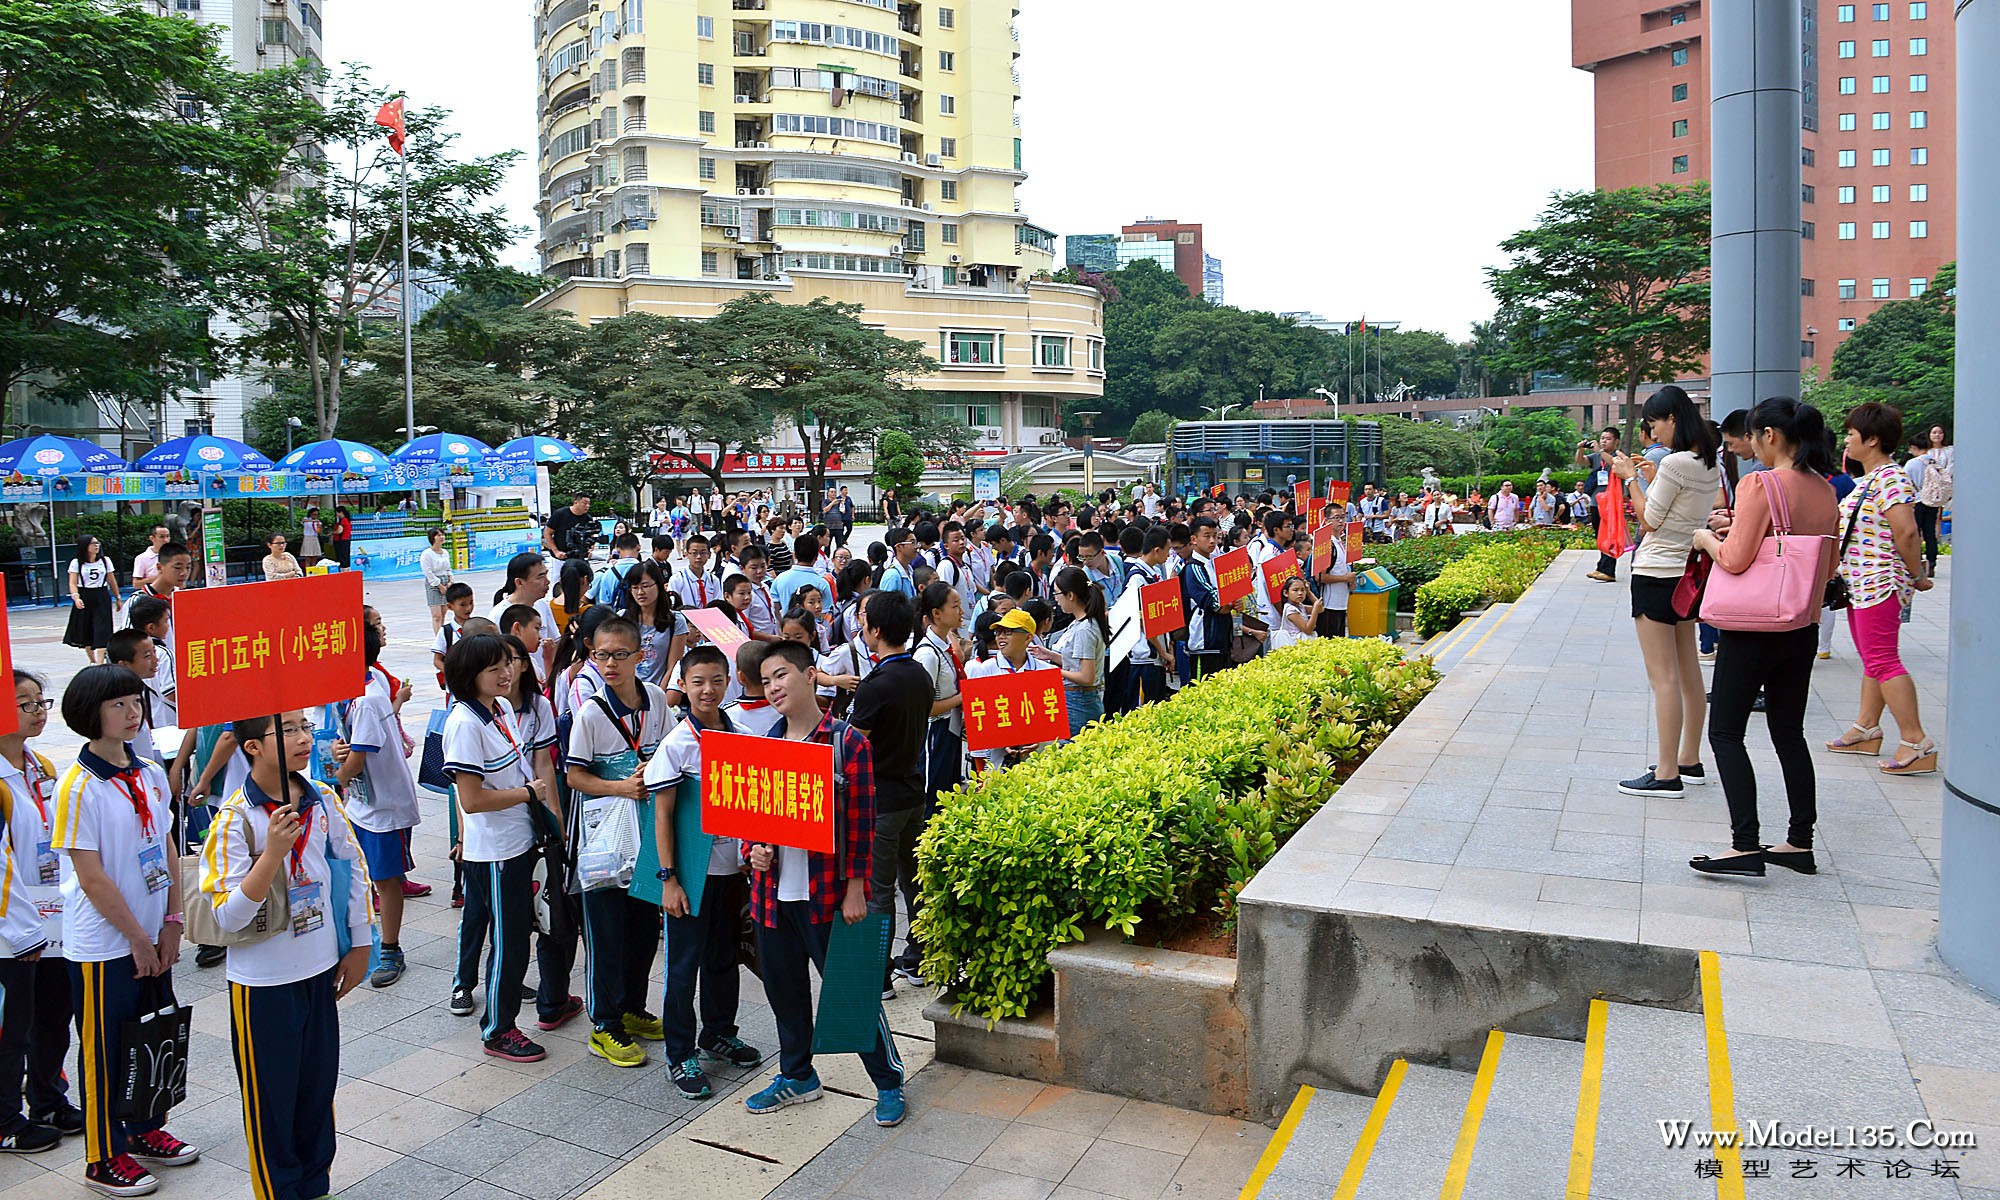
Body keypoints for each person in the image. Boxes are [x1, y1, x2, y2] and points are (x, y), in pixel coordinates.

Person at [198, 711, 372, 1200]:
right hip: (263, 984)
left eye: (303, 727)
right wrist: (273, 853)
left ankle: (315, 1186)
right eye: (287, 730)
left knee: (317, 1092)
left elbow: (352, 868)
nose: (302, 738)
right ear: (252, 747)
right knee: (271, 1103)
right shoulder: (234, 818)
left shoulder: (323, 798)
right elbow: (227, 915)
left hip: (319, 968)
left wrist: (360, 943)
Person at [740, 641, 906, 1127]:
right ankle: (797, 1076)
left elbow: (863, 823)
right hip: (773, 896)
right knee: (786, 994)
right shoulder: (766, 744)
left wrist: (856, 888)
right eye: (765, 681)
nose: (773, 688)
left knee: (851, 992)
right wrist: (754, 851)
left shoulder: (845, 743)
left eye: (781, 675)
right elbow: (749, 816)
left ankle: (888, 1082)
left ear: (811, 674)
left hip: (829, 893)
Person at [53, 665, 200, 1195]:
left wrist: (172, 921)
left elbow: (166, 847)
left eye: (135, 701)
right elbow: (90, 875)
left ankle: (145, 1127)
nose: (132, 711)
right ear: (89, 714)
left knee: (151, 1035)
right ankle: (103, 1155)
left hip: (153, 932)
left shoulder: (150, 773)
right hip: (105, 943)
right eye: (117, 704)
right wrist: (137, 937)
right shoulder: (78, 786)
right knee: (107, 1049)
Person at [1686, 399, 1841, 877]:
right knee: (1789, 734)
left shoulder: (1761, 484)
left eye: (1754, 436)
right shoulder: (1824, 488)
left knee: (1725, 732)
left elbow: (1734, 559)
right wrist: (1739, 529)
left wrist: (1706, 539)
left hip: (1752, 628)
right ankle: (1799, 842)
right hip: (1800, 625)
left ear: (1770, 435)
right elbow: (1822, 562)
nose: (1751, 445)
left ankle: (1745, 846)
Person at [440, 634, 555, 1062]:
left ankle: (507, 1016)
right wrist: (528, 794)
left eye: (507, 664)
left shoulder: (499, 708)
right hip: (495, 852)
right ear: (470, 676)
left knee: (520, 934)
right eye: (494, 669)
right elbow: (471, 800)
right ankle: (498, 1030)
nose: (507, 673)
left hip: (518, 840)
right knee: (509, 941)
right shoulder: (465, 724)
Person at [564, 616, 673, 1069]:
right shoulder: (590, 713)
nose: (610, 664)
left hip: (647, 837)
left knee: (643, 929)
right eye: (602, 655)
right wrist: (620, 787)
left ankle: (632, 1007)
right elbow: (574, 775)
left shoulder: (657, 699)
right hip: (604, 841)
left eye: (620, 655)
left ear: (640, 656)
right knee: (606, 933)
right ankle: (604, 1024)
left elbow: (669, 749)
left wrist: (654, 768)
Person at [1610, 385, 1722, 798]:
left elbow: (1650, 520)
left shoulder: (1675, 462)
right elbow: (1680, 510)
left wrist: (1630, 479)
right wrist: (1648, 479)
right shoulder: (1707, 461)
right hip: (1687, 574)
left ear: (1672, 418)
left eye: (1654, 423)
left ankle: (1667, 772)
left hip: (1656, 572)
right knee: (1688, 669)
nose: (1653, 432)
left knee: (1663, 678)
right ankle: (1689, 759)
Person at [1825, 403, 1936, 776]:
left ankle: (1916, 741)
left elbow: (1907, 531)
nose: (1847, 440)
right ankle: (1866, 727)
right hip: (1862, 583)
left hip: (1879, 582)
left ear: (1872, 439)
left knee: (1884, 661)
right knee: (1874, 659)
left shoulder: (1891, 478)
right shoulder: (1873, 478)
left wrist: (1917, 574)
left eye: (1851, 434)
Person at [0, 671, 72, 1154]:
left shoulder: (41, 766)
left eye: (41, 701)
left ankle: (48, 1098)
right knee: (13, 1028)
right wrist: (22, 932)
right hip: (12, 932)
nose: (39, 711)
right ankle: (6, 1119)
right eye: (26, 703)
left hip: (53, 921)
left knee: (53, 1016)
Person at [330, 623, 423, 987]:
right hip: (363, 803)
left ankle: (391, 949)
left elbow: (358, 760)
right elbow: (351, 745)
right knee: (366, 874)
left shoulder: (368, 698)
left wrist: (335, 780)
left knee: (386, 880)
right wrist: (339, 751)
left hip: (385, 807)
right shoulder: (355, 690)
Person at [1036, 568, 1108, 738]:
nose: (1056, 600)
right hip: (1078, 699)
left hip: (1079, 702)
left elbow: (1086, 676)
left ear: (1070, 595)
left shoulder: (1084, 629)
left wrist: (1053, 672)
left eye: (1057, 594)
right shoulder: (1082, 623)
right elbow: (1078, 663)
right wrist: (1051, 656)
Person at [1576, 428, 1623, 581]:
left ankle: (1609, 571)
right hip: (1596, 502)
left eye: (1608, 439)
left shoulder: (1619, 456)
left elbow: (1614, 464)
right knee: (1601, 536)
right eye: (1602, 438)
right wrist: (1580, 449)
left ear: (1616, 441)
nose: (1603, 441)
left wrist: (1600, 451)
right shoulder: (1596, 456)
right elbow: (1581, 461)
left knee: (1609, 536)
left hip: (1611, 502)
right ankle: (1601, 567)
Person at [64, 537, 119, 665]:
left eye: (97, 543)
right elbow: (72, 583)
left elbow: (111, 580)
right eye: (93, 543)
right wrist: (76, 597)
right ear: (85, 546)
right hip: (85, 595)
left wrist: (117, 597)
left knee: (103, 629)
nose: (96, 546)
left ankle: (100, 662)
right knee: (86, 628)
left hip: (101, 595)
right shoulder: (76, 563)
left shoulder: (105, 561)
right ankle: (92, 660)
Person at [1269, 575, 1321, 652]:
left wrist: (1309, 592)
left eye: (1303, 590)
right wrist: (1315, 610)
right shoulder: (1291, 610)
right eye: (1295, 590)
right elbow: (1308, 629)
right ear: (1286, 593)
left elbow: (1320, 609)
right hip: (1295, 646)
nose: (1300, 593)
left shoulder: (1300, 606)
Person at [546, 495, 595, 561]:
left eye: (589, 504)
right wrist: (556, 551)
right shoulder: (560, 514)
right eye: (585, 503)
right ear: (575, 502)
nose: (587, 506)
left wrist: (590, 550)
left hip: (580, 556)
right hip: (561, 556)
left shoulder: (588, 518)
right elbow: (547, 533)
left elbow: (591, 536)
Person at [129, 527, 171, 593]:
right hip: (153, 595)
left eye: (167, 536)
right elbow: (136, 584)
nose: (166, 540)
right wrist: (155, 578)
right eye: (161, 537)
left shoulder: (175, 555)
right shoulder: (142, 558)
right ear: (152, 538)